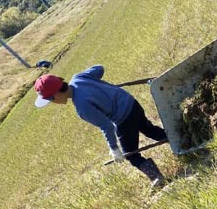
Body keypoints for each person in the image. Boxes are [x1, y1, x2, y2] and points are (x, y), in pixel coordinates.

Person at [33, 65, 167, 189]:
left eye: (50, 100)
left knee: (131, 155)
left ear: (56, 95)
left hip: (124, 118)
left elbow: (107, 126)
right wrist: (96, 86)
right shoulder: (78, 78)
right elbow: (99, 68)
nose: (52, 103)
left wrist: (114, 148)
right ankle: (180, 137)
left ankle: (157, 178)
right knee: (149, 130)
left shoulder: (82, 107)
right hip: (131, 103)